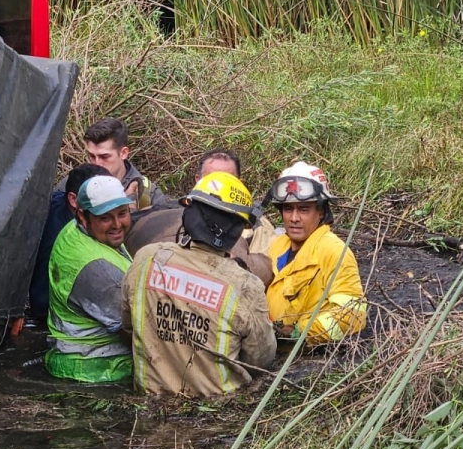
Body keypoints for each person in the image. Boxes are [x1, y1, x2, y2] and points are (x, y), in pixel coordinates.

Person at [122, 172, 277, 396]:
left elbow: (129, 327)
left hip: (149, 405)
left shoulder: (146, 260)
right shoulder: (245, 286)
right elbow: (260, 359)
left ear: (189, 212)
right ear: (236, 231)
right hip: (217, 412)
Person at [124, 149, 275, 286]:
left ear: (240, 184)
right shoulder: (166, 209)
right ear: (197, 180)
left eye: (228, 179)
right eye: (213, 179)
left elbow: (266, 272)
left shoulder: (257, 226)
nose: (221, 187)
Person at [46, 175, 134, 383]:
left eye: (122, 213)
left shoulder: (75, 231)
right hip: (97, 369)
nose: (116, 225)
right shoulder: (96, 269)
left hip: (73, 359)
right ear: (83, 217)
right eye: (105, 218)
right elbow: (135, 334)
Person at [266, 162, 366, 343]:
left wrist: (299, 333)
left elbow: (352, 315)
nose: (294, 218)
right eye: (288, 209)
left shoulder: (334, 252)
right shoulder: (277, 246)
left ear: (320, 212)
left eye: (304, 209)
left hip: (305, 358)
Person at [28, 164, 111, 319]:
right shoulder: (59, 239)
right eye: (101, 197)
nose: (109, 204)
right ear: (74, 200)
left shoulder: (61, 202)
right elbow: (41, 300)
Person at [56, 117, 170, 209]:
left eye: (104, 156)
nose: (96, 164)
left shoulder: (147, 194)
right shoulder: (70, 185)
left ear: (123, 153)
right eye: (91, 156)